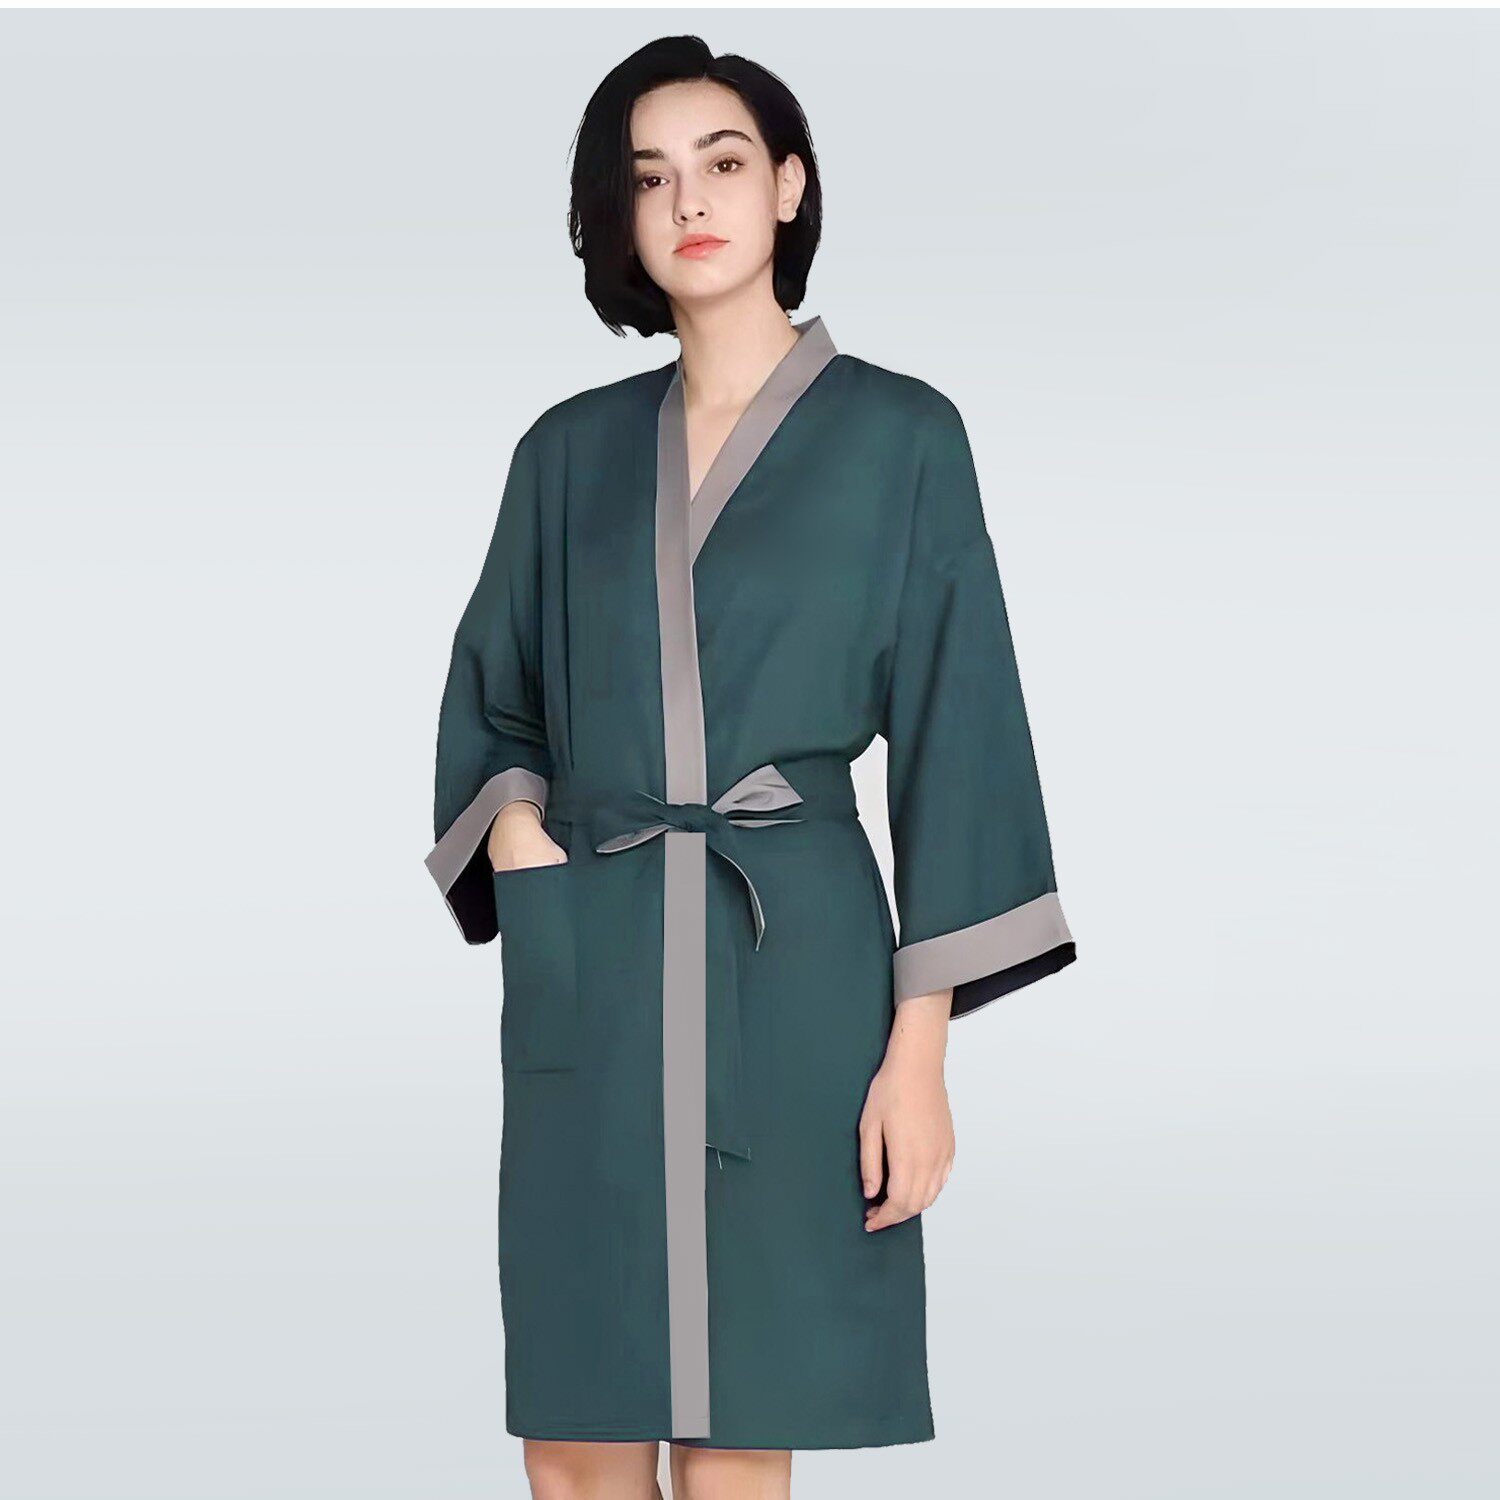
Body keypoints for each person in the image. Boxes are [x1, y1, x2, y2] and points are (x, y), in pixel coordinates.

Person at [424, 34, 1077, 1500]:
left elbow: (962, 735)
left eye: (722, 163)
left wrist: (920, 1057)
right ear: (619, 215)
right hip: (597, 960)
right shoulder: (566, 454)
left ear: (788, 185)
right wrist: (519, 837)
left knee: (740, 1438)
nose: (690, 201)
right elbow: (494, 702)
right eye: (650, 176)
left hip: (795, 982)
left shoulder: (903, 436)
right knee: (575, 1440)